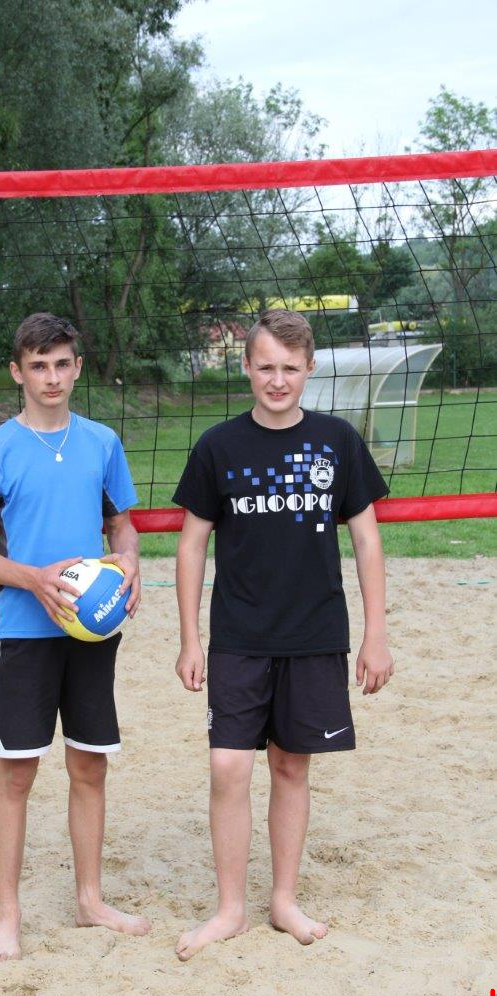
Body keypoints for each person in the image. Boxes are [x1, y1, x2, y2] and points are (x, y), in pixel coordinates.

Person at [172, 308, 394, 961]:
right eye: (265, 366)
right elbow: (190, 547)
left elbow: (368, 540)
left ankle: (284, 901)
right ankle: (230, 909)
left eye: (290, 368)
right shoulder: (218, 446)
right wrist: (189, 638)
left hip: (315, 633)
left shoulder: (337, 440)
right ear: (246, 366)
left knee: (291, 765)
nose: (277, 380)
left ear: (310, 369)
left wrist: (376, 634)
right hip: (239, 634)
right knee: (227, 766)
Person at [0, 312, 150, 961]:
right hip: (22, 631)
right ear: (18, 372)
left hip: (90, 629)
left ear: (78, 367)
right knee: (17, 773)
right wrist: (33, 579)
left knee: (89, 764)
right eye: (38, 366)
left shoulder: (102, 442)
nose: (52, 377)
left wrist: (129, 561)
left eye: (62, 363)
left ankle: (90, 900)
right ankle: (7, 917)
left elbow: (121, 524)